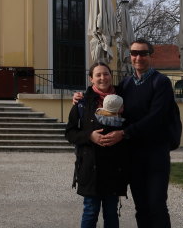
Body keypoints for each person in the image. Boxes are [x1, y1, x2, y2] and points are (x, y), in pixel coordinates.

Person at [75, 39, 176, 228]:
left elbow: (156, 117)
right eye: (135, 53)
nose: (138, 57)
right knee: (141, 206)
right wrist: (81, 96)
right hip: (133, 155)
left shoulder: (160, 82)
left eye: (143, 53)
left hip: (155, 154)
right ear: (130, 56)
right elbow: (106, 94)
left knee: (156, 205)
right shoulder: (127, 84)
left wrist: (124, 133)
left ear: (150, 55)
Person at [65, 62, 128, 228]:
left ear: (111, 75)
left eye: (106, 74)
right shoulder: (82, 103)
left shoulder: (124, 100)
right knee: (90, 211)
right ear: (91, 79)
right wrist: (89, 136)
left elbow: (132, 128)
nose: (102, 78)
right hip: (90, 165)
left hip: (114, 166)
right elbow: (70, 133)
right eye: (98, 75)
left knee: (111, 212)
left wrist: (122, 135)